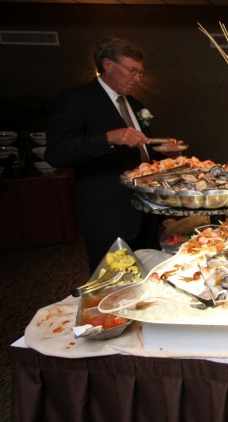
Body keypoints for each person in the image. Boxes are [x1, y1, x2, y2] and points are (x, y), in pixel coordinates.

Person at [46, 36, 177, 274]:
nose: (137, 79)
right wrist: (108, 138)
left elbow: (139, 148)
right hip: (107, 214)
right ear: (107, 65)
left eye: (140, 73)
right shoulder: (77, 99)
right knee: (111, 284)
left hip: (144, 213)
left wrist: (159, 152)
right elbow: (57, 152)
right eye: (132, 71)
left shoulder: (135, 104)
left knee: (146, 279)